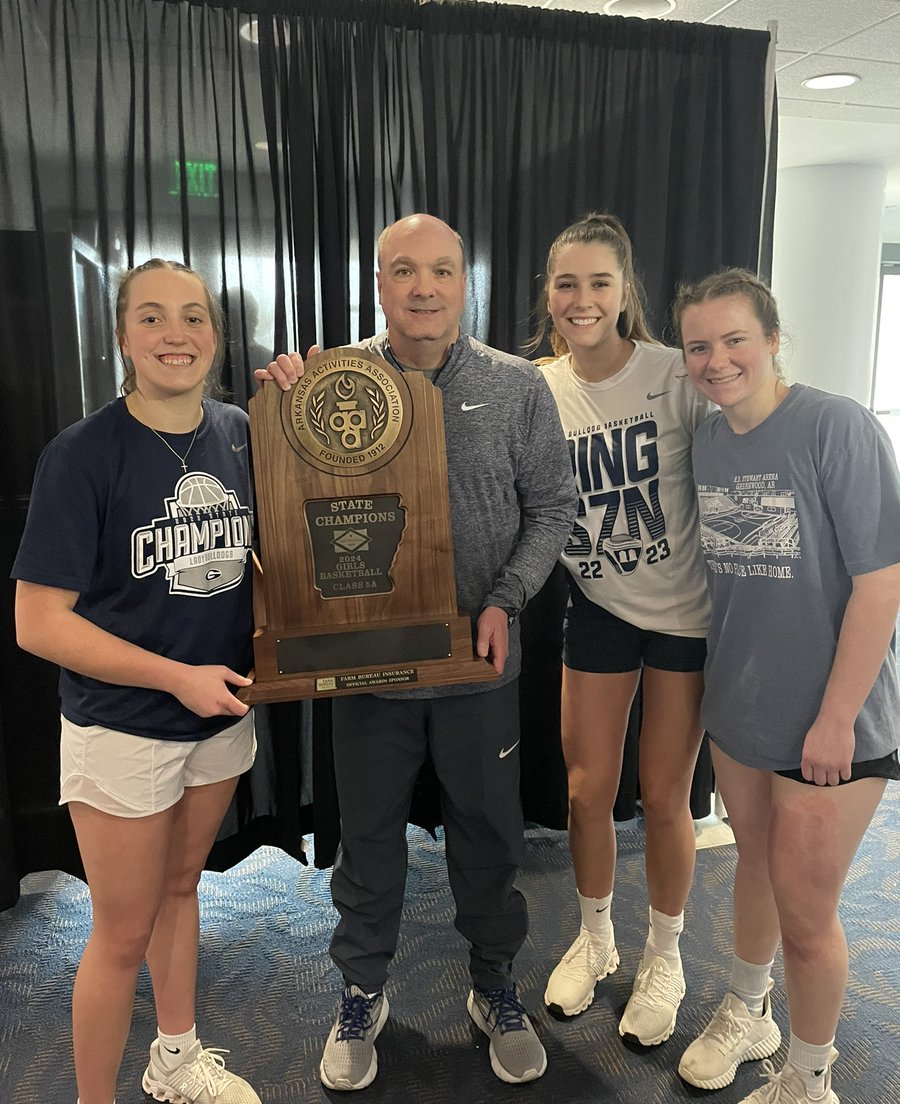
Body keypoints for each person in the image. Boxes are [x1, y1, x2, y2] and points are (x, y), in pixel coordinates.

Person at [259, 213, 576, 1091]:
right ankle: (363, 991)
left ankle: (494, 986)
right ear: (380, 284)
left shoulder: (516, 387)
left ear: (465, 282)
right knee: (366, 843)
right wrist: (283, 401)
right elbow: (291, 494)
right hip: (368, 667)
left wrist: (507, 599)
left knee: (490, 837)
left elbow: (553, 506)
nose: (424, 287)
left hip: (479, 665)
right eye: (404, 270)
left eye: (441, 270)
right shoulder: (333, 384)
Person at [13, 260, 261, 1104]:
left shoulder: (238, 432)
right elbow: (38, 622)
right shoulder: (82, 454)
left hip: (219, 713)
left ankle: (176, 1058)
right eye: (151, 317)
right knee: (120, 936)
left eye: (193, 317)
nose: (174, 335)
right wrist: (174, 677)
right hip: (121, 726)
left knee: (183, 888)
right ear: (122, 336)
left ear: (215, 336)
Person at [672, 268, 900, 1103]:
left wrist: (837, 719)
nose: (717, 360)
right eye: (699, 346)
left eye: (735, 339)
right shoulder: (708, 441)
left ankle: (809, 1080)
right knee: (755, 869)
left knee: (807, 915)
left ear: (773, 339)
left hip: (830, 723)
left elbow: (882, 582)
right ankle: (749, 1009)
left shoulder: (835, 425)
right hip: (742, 710)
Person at [531, 213, 712, 1046]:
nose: (583, 298)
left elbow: (749, 438)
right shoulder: (536, 386)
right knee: (584, 792)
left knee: (666, 796)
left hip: (683, 618)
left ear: (625, 289)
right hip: (600, 607)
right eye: (567, 283)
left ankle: (665, 955)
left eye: (599, 282)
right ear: (549, 294)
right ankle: (597, 938)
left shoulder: (673, 374)